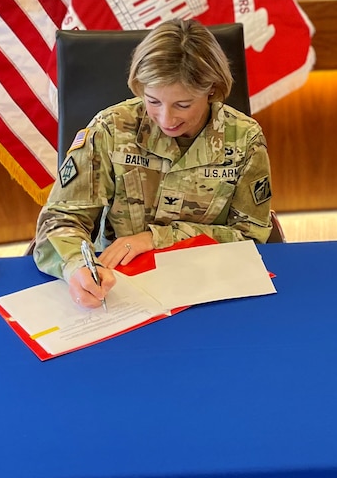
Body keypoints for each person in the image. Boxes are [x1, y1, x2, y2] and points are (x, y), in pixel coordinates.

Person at [33, 19, 273, 309]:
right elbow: (59, 221)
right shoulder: (111, 129)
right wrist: (75, 268)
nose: (166, 119)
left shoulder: (245, 139)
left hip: (210, 289)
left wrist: (156, 238)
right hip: (121, 288)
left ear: (211, 90)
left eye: (183, 105)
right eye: (153, 101)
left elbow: (251, 236)